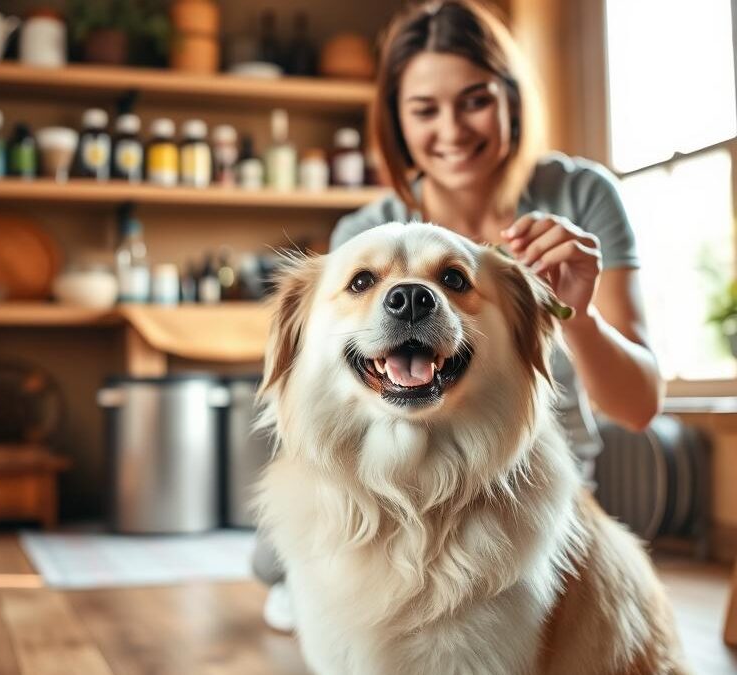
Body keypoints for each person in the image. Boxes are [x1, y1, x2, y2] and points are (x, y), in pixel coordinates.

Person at [253, 0, 664, 632]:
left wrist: (572, 314)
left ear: (512, 100)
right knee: (275, 547)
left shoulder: (580, 197)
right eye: (424, 109)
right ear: (395, 119)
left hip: (522, 469)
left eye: (474, 100)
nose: (452, 128)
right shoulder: (364, 230)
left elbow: (638, 406)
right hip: (377, 483)